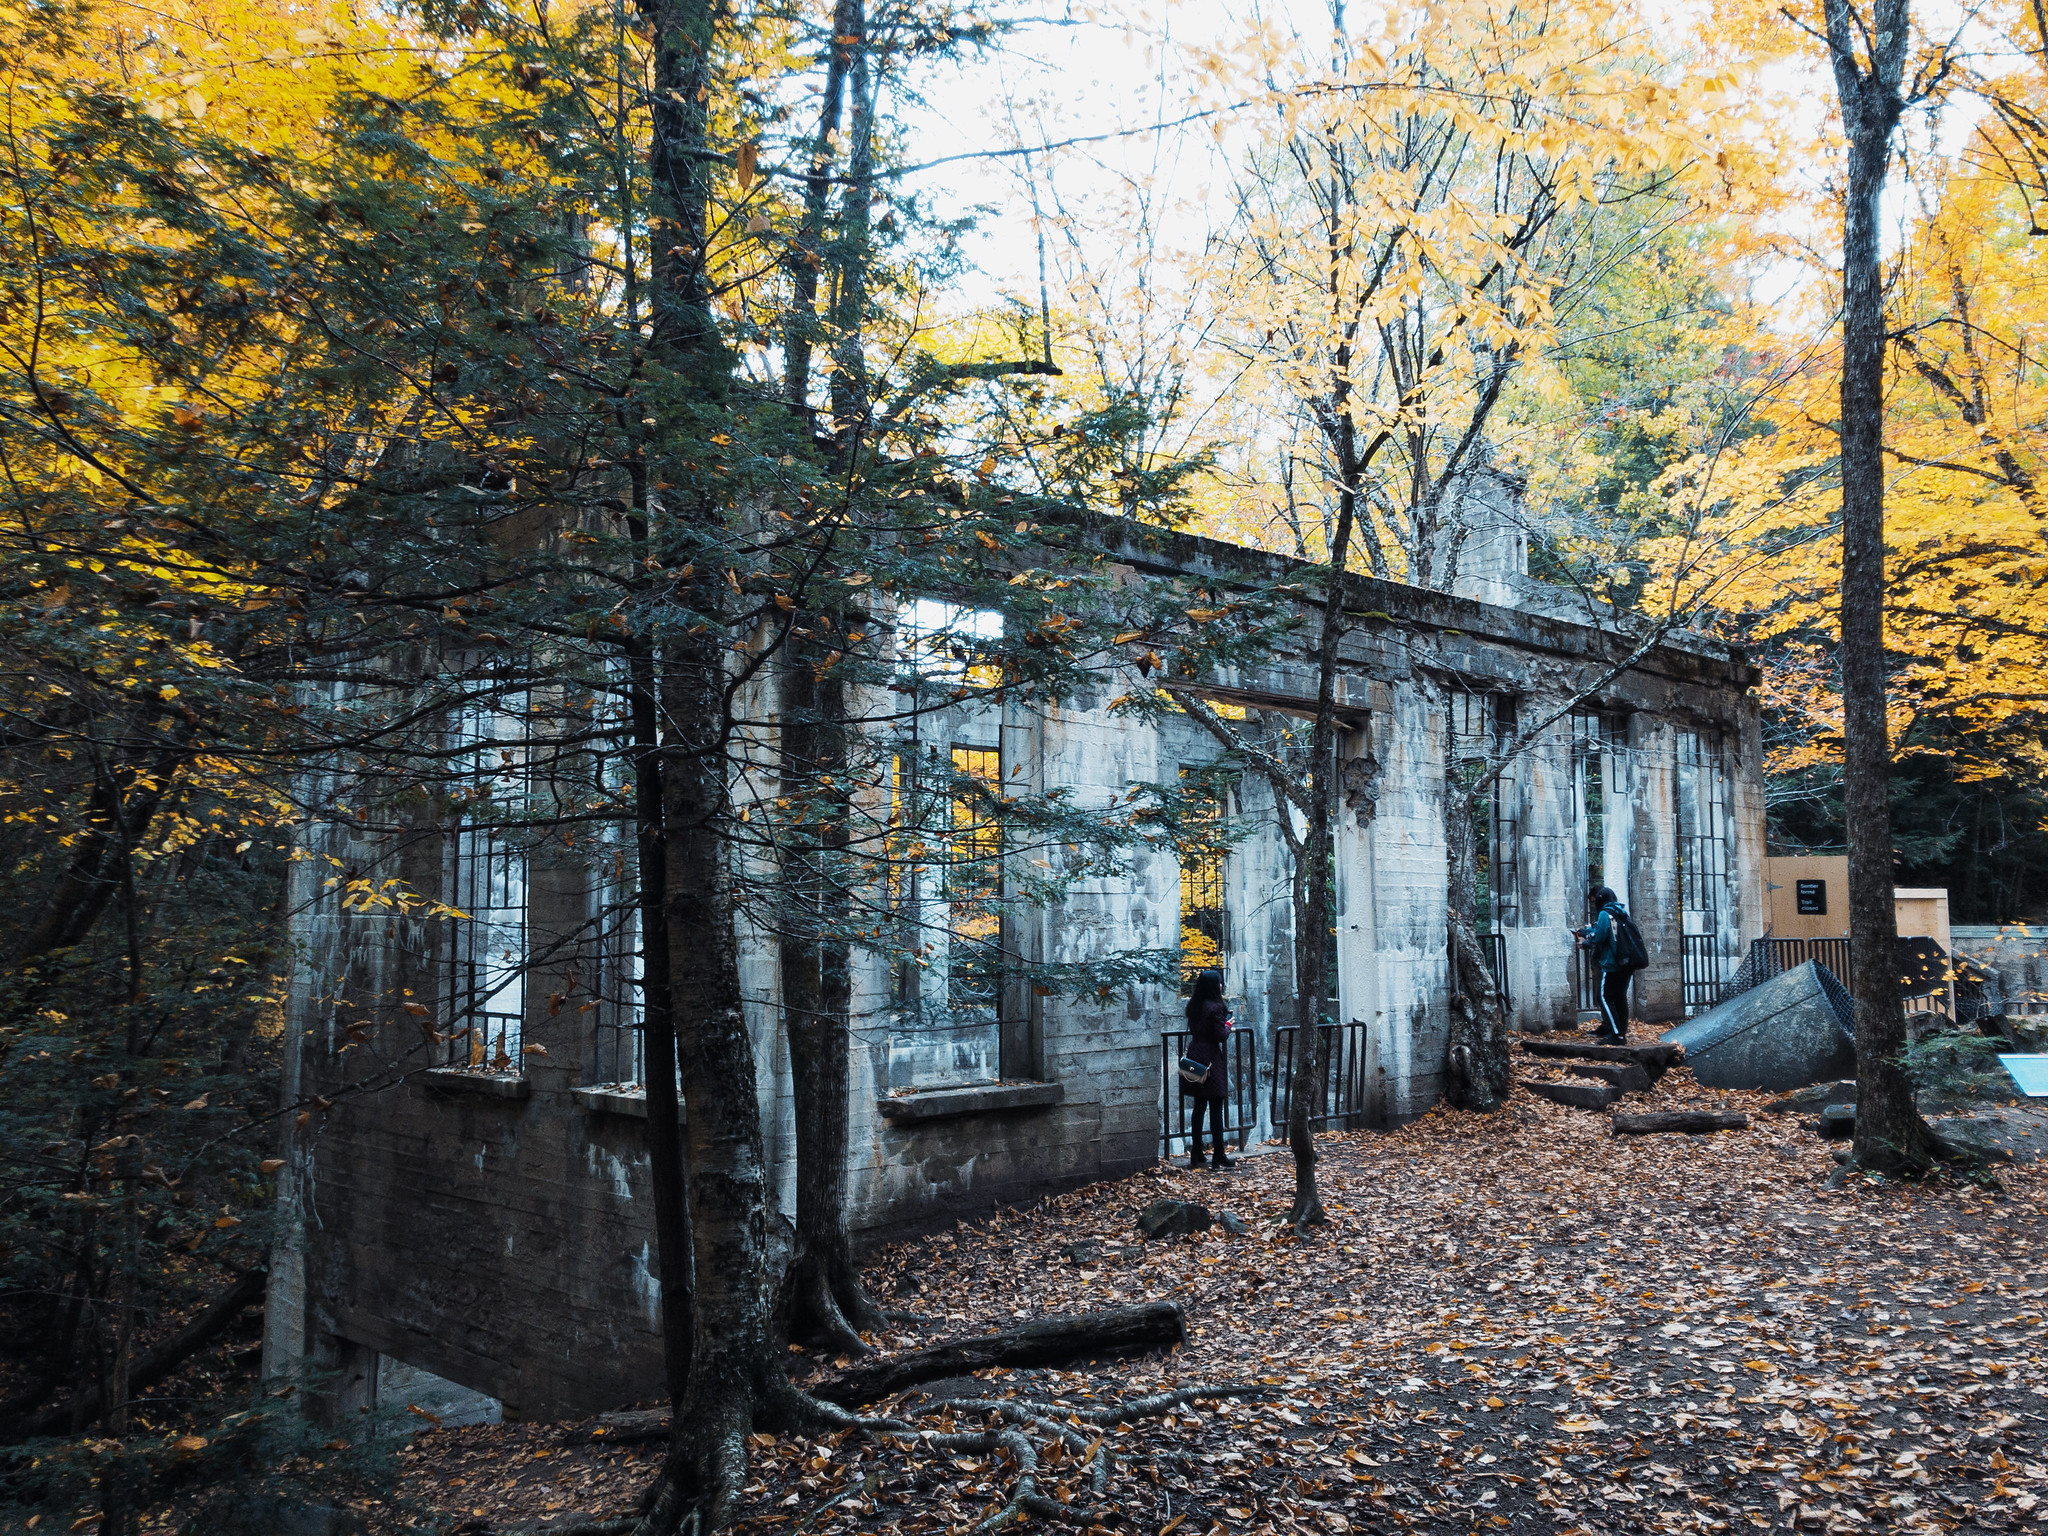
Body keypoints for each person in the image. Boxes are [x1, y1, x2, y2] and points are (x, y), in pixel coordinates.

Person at [1182, 969, 1234, 1170]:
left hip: (1195, 1053)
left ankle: (1197, 1153)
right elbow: (1220, 1035)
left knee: (1199, 1106)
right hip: (1211, 1057)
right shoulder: (1216, 1007)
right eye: (1219, 983)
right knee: (1216, 1107)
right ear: (1215, 986)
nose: (1221, 985)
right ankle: (1219, 1155)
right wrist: (1228, 1026)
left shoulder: (1193, 1005)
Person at [1574, 886, 1635, 1042]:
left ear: (1600, 899)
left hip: (1610, 962)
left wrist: (1585, 944)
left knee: (1604, 997)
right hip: (1625, 962)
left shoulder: (1604, 914)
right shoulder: (1620, 912)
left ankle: (1616, 1035)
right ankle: (1621, 1032)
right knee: (1620, 997)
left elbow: (1600, 936)